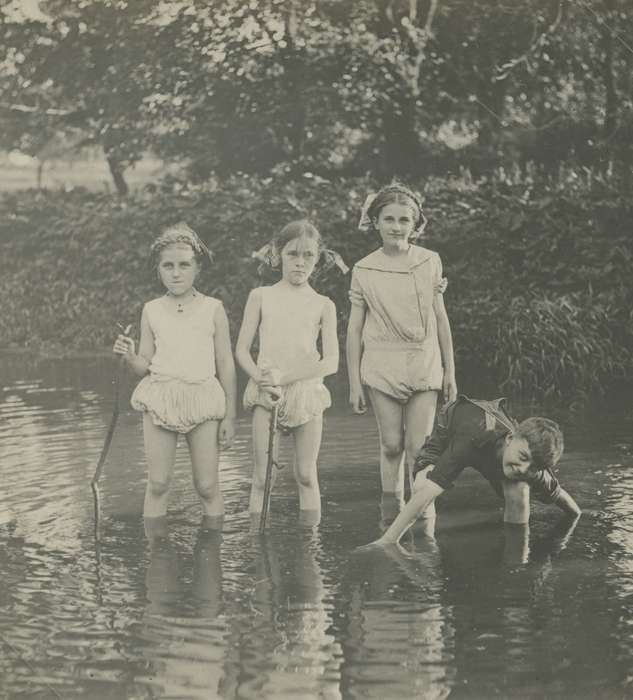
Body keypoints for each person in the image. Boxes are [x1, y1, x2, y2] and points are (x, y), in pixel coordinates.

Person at [112, 222, 236, 522]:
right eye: (168, 266)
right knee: (157, 484)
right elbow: (144, 365)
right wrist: (129, 356)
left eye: (184, 265)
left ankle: (214, 553)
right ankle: (156, 558)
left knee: (207, 486)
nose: (176, 272)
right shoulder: (151, 309)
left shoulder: (213, 308)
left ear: (197, 269)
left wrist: (230, 416)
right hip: (161, 396)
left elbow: (225, 363)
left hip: (202, 398)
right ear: (159, 270)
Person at [346, 182, 457, 503]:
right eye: (389, 219)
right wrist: (354, 383)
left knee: (420, 448)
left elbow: (440, 319)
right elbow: (354, 329)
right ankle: (389, 513)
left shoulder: (429, 261)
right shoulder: (364, 269)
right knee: (391, 445)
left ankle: (424, 520)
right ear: (375, 222)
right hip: (381, 362)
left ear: (415, 224)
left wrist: (450, 372)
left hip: (423, 359)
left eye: (404, 220)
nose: (396, 227)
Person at [360, 395, 581, 548]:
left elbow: (558, 494)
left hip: (493, 436)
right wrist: (387, 542)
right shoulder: (469, 440)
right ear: (510, 438)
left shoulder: (527, 459)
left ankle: (515, 564)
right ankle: (426, 554)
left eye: (534, 467)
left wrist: (576, 517)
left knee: (519, 490)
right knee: (421, 486)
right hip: (454, 427)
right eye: (523, 458)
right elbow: (427, 492)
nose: (523, 468)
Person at [236, 220, 339, 524]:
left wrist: (286, 378)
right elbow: (241, 349)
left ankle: (311, 548)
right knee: (261, 477)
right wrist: (261, 380)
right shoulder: (261, 296)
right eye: (293, 253)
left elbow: (331, 362)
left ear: (317, 258)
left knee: (306, 475)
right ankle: (258, 547)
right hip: (266, 391)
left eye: (308, 255)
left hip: (307, 394)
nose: (300, 262)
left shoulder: (324, 304)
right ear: (278, 253)